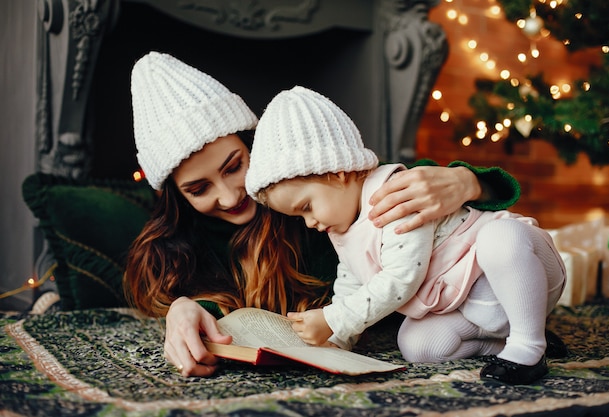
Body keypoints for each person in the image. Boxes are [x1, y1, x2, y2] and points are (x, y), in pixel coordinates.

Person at [123, 52, 522, 378]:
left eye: (234, 167)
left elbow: (390, 188)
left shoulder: (309, 196)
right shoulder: (181, 242)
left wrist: (470, 181)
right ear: (176, 196)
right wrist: (182, 307)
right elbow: (223, 302)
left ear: (255, 148)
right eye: (199, 189)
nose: (230, 197)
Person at [245, 86, 567, 385]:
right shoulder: (343, 228)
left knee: (500, 238)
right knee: (416, 345)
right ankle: (507, 341)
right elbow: (352, 285)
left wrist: (334, 319)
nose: (310, 222)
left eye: (307, 207)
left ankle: (528, 344)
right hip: (469, 307)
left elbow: (402, 278)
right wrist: (337, 338)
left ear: (338, 173)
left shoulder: (395, 195)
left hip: (519, 273)